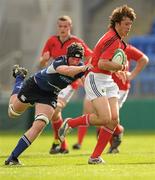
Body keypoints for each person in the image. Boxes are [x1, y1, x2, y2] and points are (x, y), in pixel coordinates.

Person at [58, 5, 136, 164]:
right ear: (117, 23)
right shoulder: (112, 39)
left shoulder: (118, 40)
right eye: (126, 23)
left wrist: (117, 70)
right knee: (104, 118)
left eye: (130, 24)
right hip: (95, 78)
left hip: (107, 79)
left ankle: (94, 157)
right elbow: (102, 63)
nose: (129, 27)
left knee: (113, 120)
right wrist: (119, 67)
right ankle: (71, 123)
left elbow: (108, 63)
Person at [5, 43, 92, 165]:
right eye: (73, 58)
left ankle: (12, 158)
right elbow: (66, 71)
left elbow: (87, 83)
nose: (75, 61)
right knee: (13, 112)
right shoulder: (60, 61)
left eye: (78, 59)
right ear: (67, 56)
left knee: (40, 124)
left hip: (49, 95)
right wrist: (83, 68)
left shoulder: (80, 68)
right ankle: (19, 78)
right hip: (34, 87)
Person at [72, 44, 149, 153]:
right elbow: (92, 64)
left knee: (109, 118)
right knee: (102, 118)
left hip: (121, 88)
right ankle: (113, 141)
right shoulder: (105, 49)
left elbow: (144, 59)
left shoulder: (127, 49)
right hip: (105, 87)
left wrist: (131, 75)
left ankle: (115, 138)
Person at [39, 15, 92, 154]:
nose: (63, 29)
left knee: (55, 109)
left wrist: (82, 72)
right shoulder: (51, 41)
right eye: (60, 26)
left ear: (70, 26)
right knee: (55, 114)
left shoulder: (77, 42)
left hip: (69, 83)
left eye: (66, 26)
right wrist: (43, 61)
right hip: (54, 81)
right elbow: (42, 62)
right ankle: (62, 146)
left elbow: (91, 56)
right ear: (58, 27)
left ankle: (57, 142)